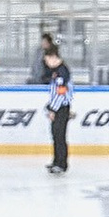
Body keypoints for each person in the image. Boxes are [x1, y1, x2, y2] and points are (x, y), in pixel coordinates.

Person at [39, 31, 73, 176]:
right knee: (55, 135)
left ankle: (62, 163)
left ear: (53, 57)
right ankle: (56, 161)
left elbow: (61, 93)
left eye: (47, 60)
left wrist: (53, 109)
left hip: (61, 108)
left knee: (60, 135)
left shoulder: (62, 72)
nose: (47, 63)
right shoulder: (56, 71)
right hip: (57, 107)